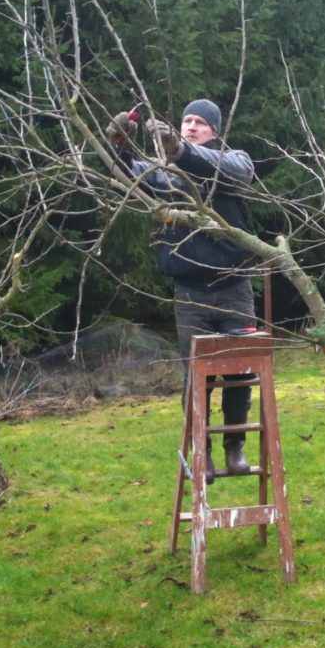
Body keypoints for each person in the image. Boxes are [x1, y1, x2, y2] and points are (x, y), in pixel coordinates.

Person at [107, 99, 257, 484]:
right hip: (189, 294)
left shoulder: (233, 160)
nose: (191, 126)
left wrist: (181, 150)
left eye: (199, 123)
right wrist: (119, 144)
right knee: (197, 378)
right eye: (186, 121)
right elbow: (126, 176)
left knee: (240, 371)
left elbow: (232, 172)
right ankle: (202, 453)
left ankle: (234, 448)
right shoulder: (163, 174)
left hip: (234, 289)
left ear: (215, 132)